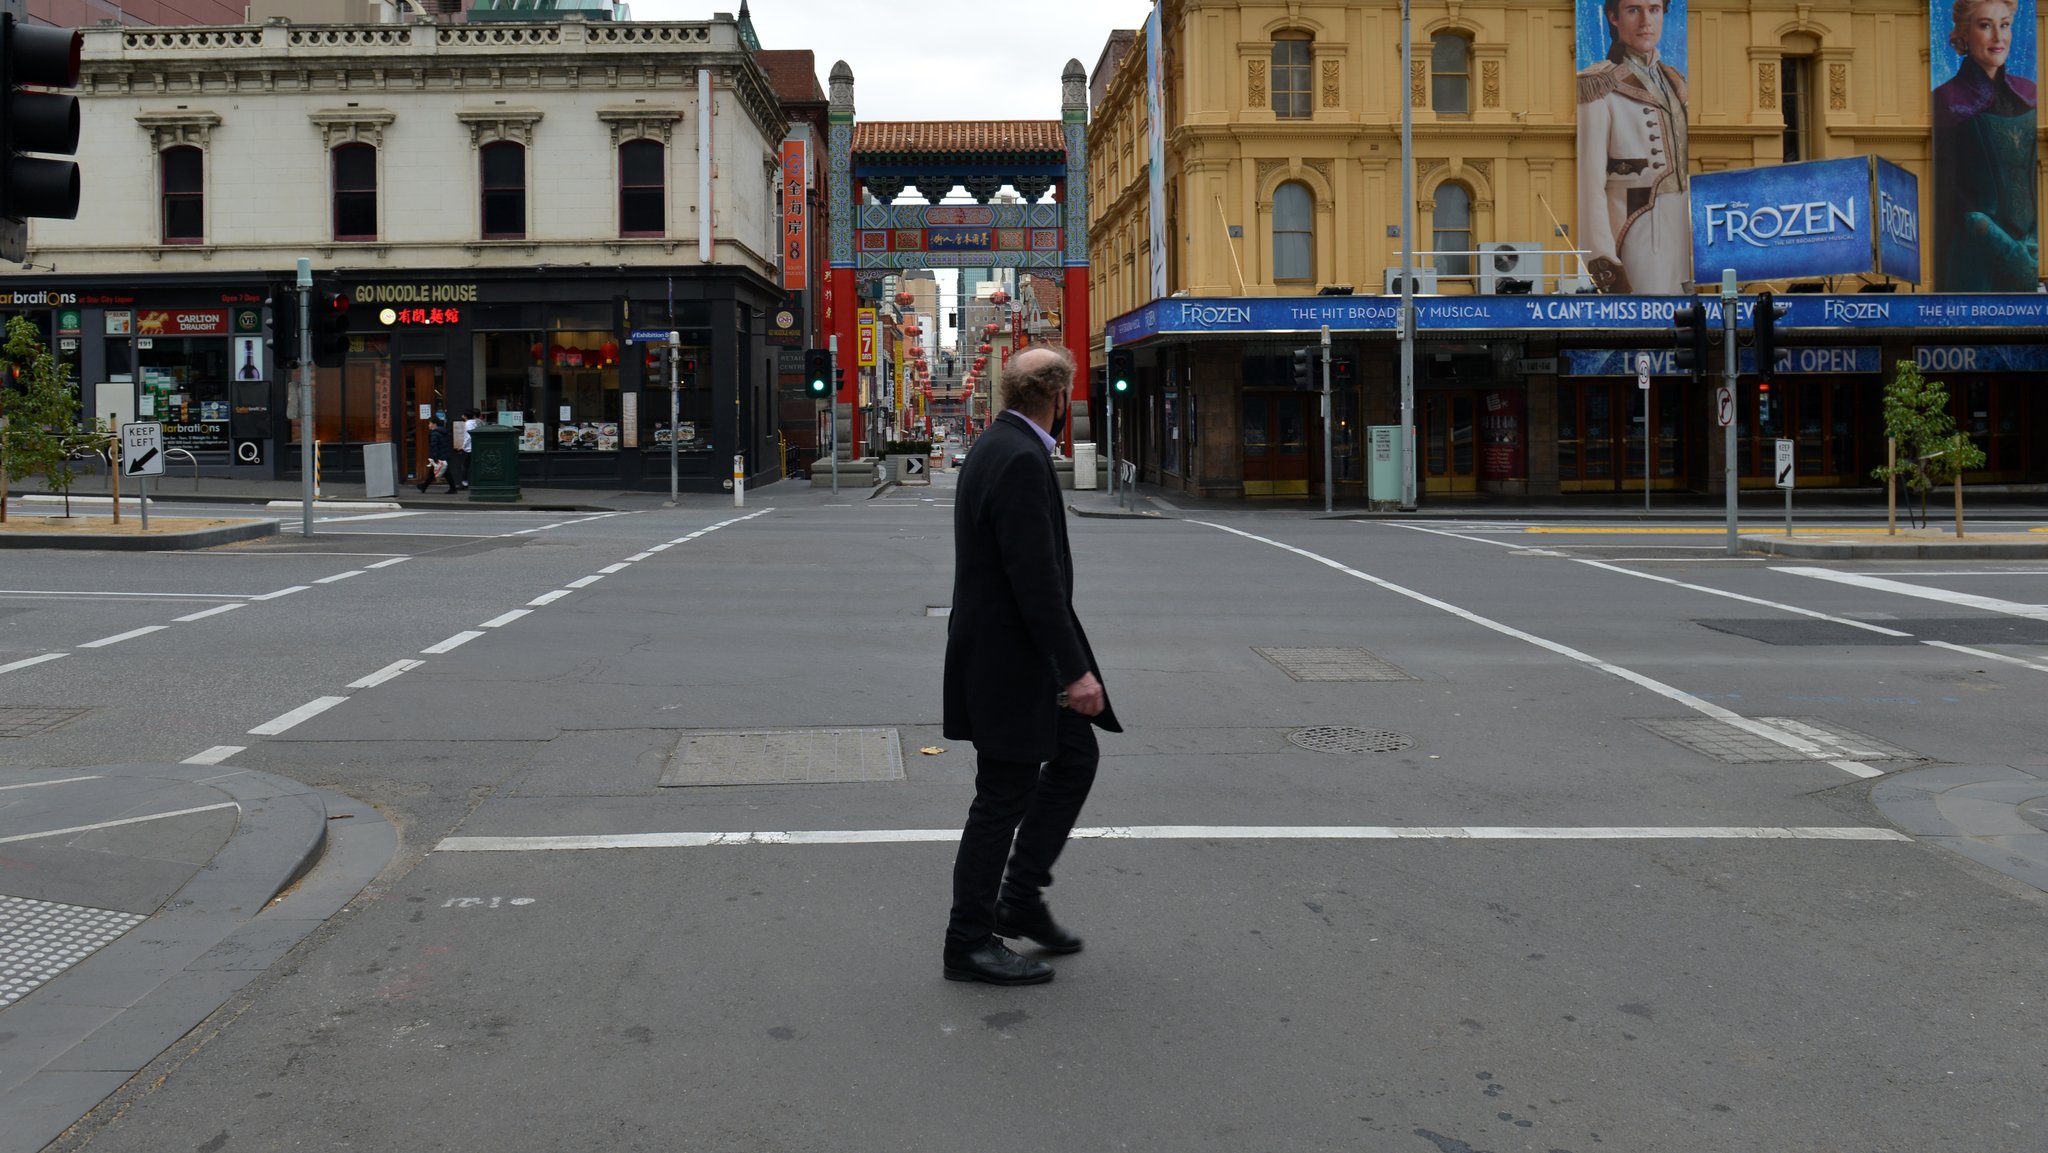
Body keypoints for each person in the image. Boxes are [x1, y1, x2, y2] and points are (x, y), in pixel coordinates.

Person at [941, 345, 1122, 986]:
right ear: (1060, 399)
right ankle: (968, 940)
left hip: (1013, 655)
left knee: (1075, 759)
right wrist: (1073, 672)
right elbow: (1036, 582)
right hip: (1015, 661)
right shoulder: (1019, 459)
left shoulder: (998, 444)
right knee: (1001, 798)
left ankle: (1019, 897)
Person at [1576, 0, 1691, 296]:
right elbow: (1590, 181)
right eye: (1633, 10)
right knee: (1649, 323)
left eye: (1654, 9)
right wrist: (1603, 257)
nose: (1646, 21)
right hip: (1637, 227)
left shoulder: (1675, 80)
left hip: (1684, 226)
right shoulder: (1597, 84)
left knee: (1687, 327)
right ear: (1613, 17)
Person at [1932, 0, 2038, 291]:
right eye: (1985, 25)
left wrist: (2029, 247)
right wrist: (2010, 249)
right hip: (1974, 260)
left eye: (2004, 25)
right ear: (1964, 33)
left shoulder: (2029, 94)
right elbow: (1951, 191)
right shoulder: (1947, 100)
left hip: (2028, 258)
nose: (1998, 37)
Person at [419, 417, 455, 494]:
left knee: (443, 472)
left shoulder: (435, 433)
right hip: (444, 454)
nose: (429, 425)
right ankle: (424, 486)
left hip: (439, 456)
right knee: (437, 472)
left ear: (434, 424)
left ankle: (453, 488)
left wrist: (434, 458)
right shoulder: (443, 431)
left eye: (430, 423)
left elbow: (434, 446)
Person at [450, 409, 478, 490]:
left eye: (462, 415)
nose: (461, 416)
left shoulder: (468, 424)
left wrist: (463, 446)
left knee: (465, 467)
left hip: (469, 448)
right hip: (473, 447)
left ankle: (464, 483)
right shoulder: (474, 423)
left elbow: (468, 437)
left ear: (465, 416)